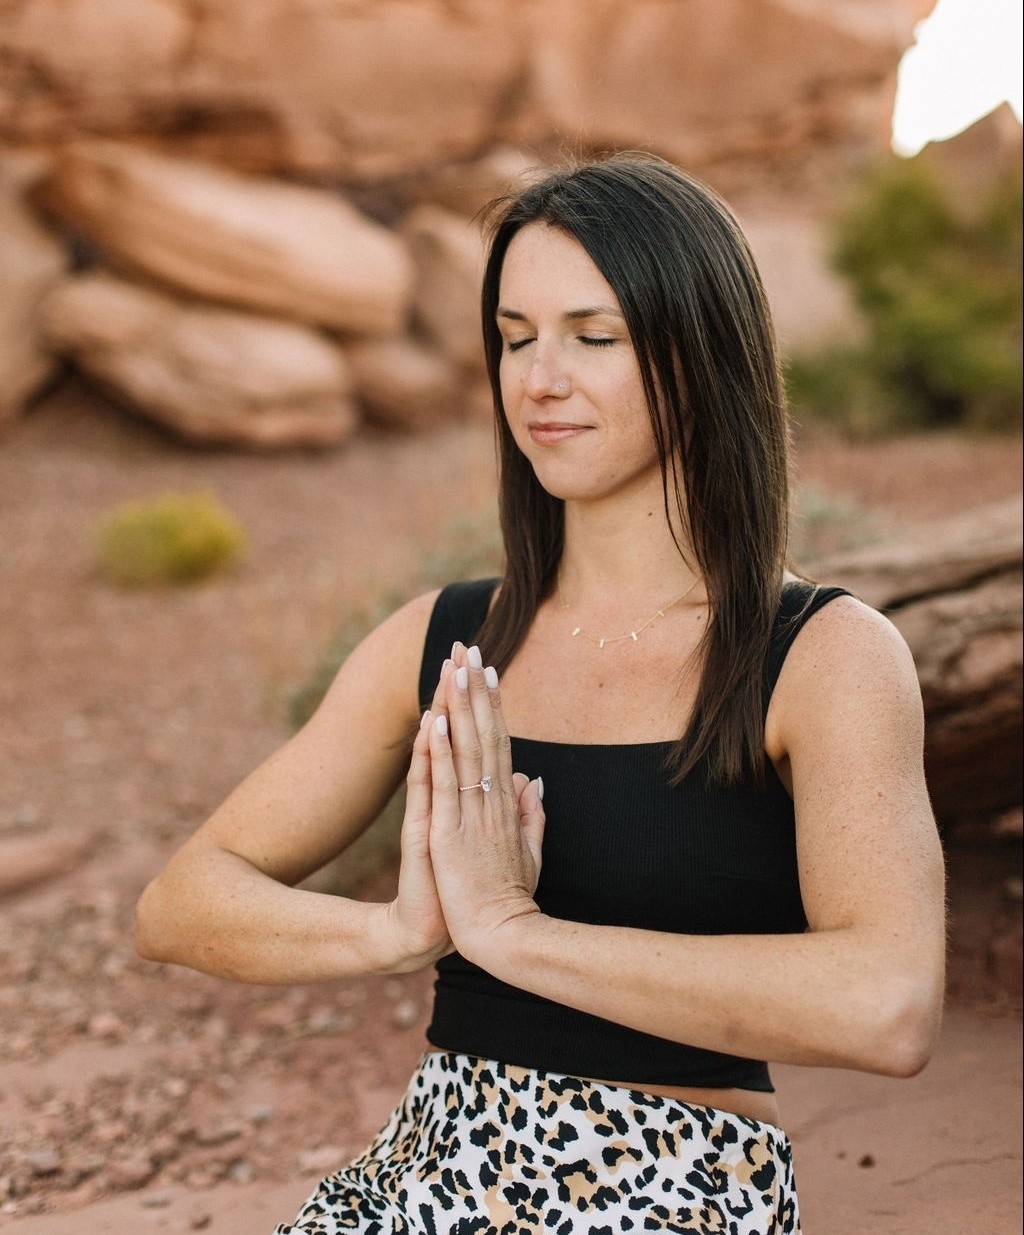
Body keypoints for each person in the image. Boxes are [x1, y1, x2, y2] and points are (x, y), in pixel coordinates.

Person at [135, 152, 946, 1234]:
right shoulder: (446, 640)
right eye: (516, 337)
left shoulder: (822, 655)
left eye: (592, 336)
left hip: (668, 1185)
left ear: (701, 350)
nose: (538, 379)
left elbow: (888, 1004)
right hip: (416, 1178)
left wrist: (514, 934)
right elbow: (179, 903)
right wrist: (405, 928)